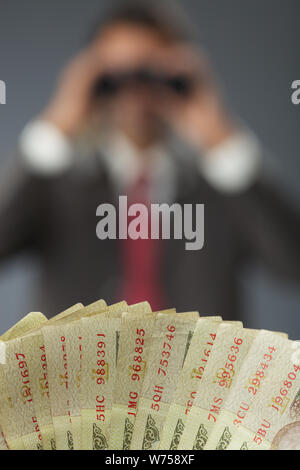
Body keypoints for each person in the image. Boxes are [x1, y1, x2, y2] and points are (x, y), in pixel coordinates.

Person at [0, 0, 299, 319]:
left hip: (193, 369)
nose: (134, 93)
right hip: (79, 370)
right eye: (115, 77)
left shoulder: (220, 184)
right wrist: (55, 126)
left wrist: (221, 138)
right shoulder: (55, 183)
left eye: (150, 75)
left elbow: (293, 262)